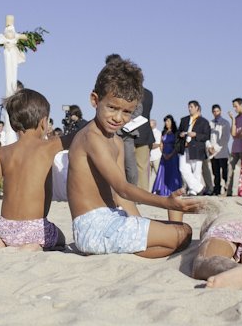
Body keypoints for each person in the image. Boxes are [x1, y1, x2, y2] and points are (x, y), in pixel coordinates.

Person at [67, 57, 203, 257]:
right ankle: (135, 245)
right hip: (93, 228)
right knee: (181, 233)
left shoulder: (117, 141)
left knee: (182, 231)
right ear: (95, 100)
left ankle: (134, 245)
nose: (118, 118)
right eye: (112, 107)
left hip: (113, 218)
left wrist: (139, 223)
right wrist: (165, 202)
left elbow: (120, 195)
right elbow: (124, 187)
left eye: (127, 112)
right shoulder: (91, 137)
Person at [0, 88, 74, 249]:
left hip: (6, 228)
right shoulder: (49, 146)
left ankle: (1, 242)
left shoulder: (4, 152)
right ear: (43, 122)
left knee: (7, 237)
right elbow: (79, 136)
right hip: (34, 229)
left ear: (13, 126)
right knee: (60, 237)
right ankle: (32, 246)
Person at [106, 54, 155, 191]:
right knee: (138, 166)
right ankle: (139, 193)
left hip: (132, 131)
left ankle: (136, 193)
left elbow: (140, 110)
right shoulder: (148, 93)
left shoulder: (131, 91)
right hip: (136, 131)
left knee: (131, 164)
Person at [178, 101, 211, 196]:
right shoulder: (183, 120)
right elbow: (178, 131)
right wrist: (180, 134)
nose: (189, 108)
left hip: (197, 148)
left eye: (191, 107)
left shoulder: (204, 121)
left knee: (196, 171)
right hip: (184, 148)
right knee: (183, 169)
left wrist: (196, 134)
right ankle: (199, 187)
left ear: (197, 108)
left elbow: (206, 136)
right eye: (188, 107)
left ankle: (193, 190)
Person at [151, 115, 182, 196]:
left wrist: (171, 154)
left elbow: (177, 146)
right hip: (164, 156)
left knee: (173, 173)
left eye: (168, 121)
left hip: (173, 156)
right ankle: (161, 190)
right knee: (163, 173)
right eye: (165, 121)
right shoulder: (163, 132)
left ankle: (173, 190)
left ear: (172, 122)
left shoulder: (176, 132)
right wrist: (164, 154)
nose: (166, 123)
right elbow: (161, 144)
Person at [227, 98, 242, 196]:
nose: (234, 109)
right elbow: (233, 134)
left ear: (241, 105)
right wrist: (233, 120)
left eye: (236, 106)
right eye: (233, 107)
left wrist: (239, 134)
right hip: (235, 147)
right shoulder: (236, 118)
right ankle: (228, 191)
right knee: (230, 168)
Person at [209, 104, 232, 196]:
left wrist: (216, 148)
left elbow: (225, 138)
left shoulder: (225, 122)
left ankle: (227, 189)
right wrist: (209, 147)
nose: (216, 113)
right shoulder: (210, 123)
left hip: (222, 151)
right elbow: (208, 137)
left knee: (224, 172)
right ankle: (217, 189)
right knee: (216, 172)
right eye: (214, 111)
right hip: (212, 153)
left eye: (217, 111)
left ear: (220, 111)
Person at [148, 118, 161, 188]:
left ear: (154, 124)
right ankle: (149, 191)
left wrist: (148, 146)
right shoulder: (148, 133)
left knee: (158, 174)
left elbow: (157, 144)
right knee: (150, 177)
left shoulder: (158, 133)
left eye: (151, 123)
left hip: (156, 156)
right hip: (149, 157)